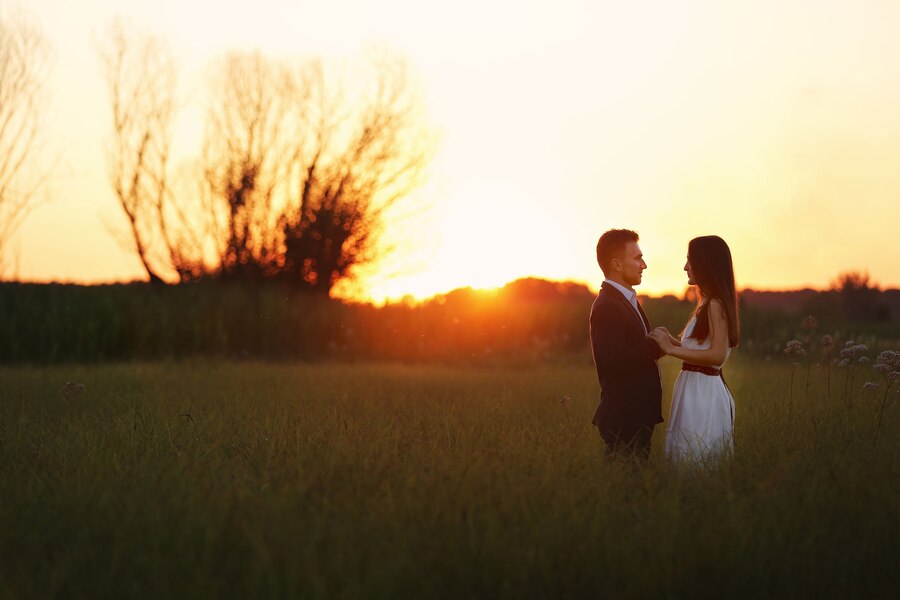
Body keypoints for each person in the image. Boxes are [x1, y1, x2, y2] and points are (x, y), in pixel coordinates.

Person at [649, 235, 739, 464]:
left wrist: (670, 349)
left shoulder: (716, 304)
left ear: (705, 263)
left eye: (690, 260)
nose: (685, 267)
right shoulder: (707, 303)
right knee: (687, 455)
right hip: (694, 388)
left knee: (697, 457)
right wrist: (674, 342)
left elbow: (717, 355)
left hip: (703, 391)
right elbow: (703, 348)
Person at [590, 229, 664, 459]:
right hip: (624, 417)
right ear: (617, 265)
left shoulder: (626, 299)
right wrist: (656, 345)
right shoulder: (608, 305)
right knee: (624, 484)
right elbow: (617, 360)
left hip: (638, 414)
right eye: (637, 258)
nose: (644, 265)